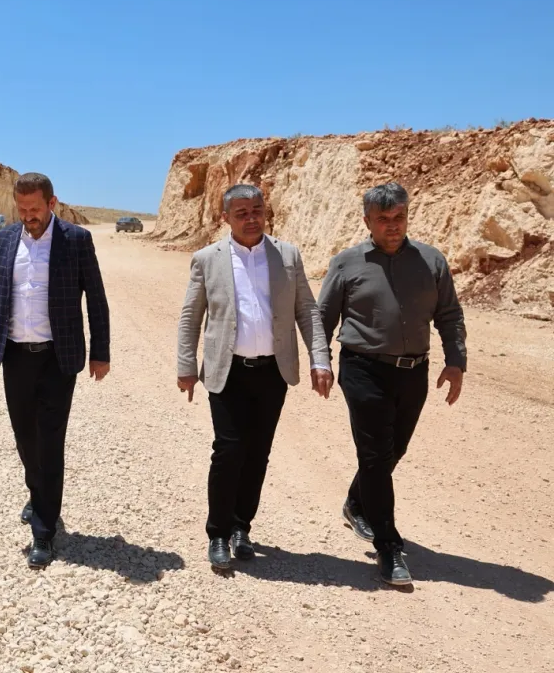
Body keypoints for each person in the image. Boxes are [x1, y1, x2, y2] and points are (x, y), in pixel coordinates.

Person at [176, 184, 333, 571]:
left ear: (266, 212)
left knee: (258, 452)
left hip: (272, 372)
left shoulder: (287, 255)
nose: (251, 218)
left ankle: (241, 527)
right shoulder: (207, 259)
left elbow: (307, 310)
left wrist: (320, 359)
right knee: (228, 450)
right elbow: (191, 316)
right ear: (225, 218)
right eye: (241, 213)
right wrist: (186, 366)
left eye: (257, 210)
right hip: (226, 371)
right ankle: (217, 533)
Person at [318, 182, 466, 586]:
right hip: (363, 369)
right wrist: (321, 361)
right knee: (375, 453)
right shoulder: (346, 263)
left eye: (399, 217)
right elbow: (323, 318)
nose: (393, 225)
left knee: (391, 451)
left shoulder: (431, 261)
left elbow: (449, 315)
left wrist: (456, 361)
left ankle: (356, 503)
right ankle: (388, 548)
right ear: (367, 221)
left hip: (414, 372)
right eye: (383, 219)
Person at [0, 172, 111, 569]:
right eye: (22, 209)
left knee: (49, 440)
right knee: (24, 436)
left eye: (35, 208)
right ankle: (37, 493)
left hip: (57, 357)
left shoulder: (76, 240)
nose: (28, 216)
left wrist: (101, 352)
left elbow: (96, 299)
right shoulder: (4, 239)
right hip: (15, 354)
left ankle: (44, 530)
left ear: (52, 203)